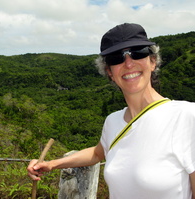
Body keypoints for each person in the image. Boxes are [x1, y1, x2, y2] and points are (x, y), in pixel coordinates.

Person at [27, 23, 195, 199]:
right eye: (117, 58)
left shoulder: (186, 117)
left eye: (138, 52)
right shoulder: (113, 121)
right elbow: (98, 152)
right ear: (109, 72)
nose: (129, 63)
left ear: (153, 62)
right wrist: (52, 164)